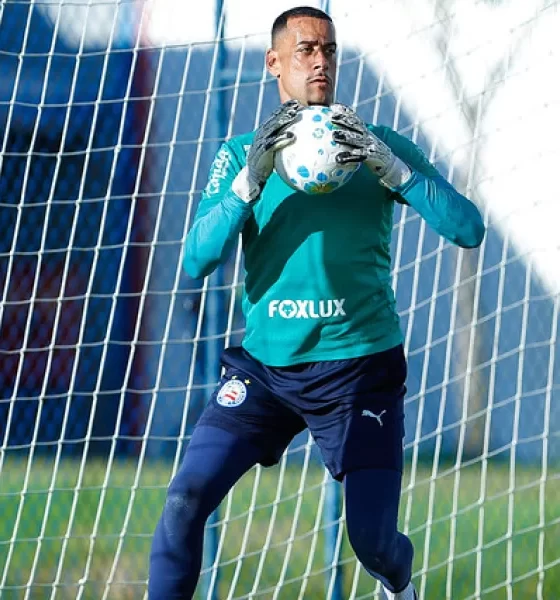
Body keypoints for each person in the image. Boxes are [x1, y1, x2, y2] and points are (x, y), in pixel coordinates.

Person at [149, 6, 485, 600]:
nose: (320, 61)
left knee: (373, 542)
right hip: (266, 370)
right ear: (274, 62)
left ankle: (401, 587)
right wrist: (247, 185)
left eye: (328, 49)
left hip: (360, 372)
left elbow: (468, 229)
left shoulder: (379, 148)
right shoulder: (241, 154)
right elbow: (197, 260)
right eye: (305, 50)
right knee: (183, 500)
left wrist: (398, 173)